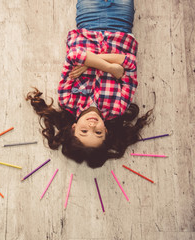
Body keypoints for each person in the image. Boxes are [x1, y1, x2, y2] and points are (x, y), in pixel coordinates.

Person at [27, 0, 152, 168]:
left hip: (89, 21)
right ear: (106, 132)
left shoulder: (67, 100)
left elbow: (73, 55)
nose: (92, 125)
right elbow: (129, 62)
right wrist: (90, 60)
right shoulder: (118, 107)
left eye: (84, 131)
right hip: (120, 25)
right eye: (98, 132)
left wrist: (108, 67)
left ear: (73, 127)